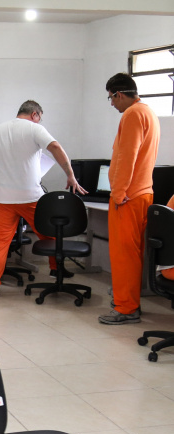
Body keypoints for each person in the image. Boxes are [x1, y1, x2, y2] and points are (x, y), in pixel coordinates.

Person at [0, 99, 84, 298]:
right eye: (39, 118)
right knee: (49, 232)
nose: (39, 121)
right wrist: (70, 175)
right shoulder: (34, 128)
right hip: (29, 196)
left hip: (1, 197)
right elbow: (55, 146)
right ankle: (56, 270)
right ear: (35, 114)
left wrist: (6, 168)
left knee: (0, 242)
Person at [100, 73, 160, 325]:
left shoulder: (132, 114)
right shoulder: (148, 113)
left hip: (128, 197)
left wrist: (118, 192)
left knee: (124, 255)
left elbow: (127, 156)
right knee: (133, 254)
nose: (112, 104)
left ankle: (126, 308)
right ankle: (128, 301)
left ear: (119, 94)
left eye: (111, 98)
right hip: (142, 193)